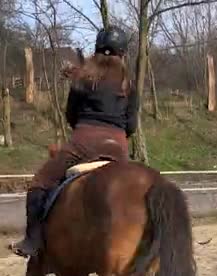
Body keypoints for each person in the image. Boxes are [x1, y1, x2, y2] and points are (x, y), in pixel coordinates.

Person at [9, 25, 138, 258]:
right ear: (123, 53)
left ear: (97, 49)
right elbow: (131, 126)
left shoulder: (83, 76)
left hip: (83, 143)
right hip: (118, 148)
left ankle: (32, 241)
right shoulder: (129, 83)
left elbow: (71, 114)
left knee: (40, 182)